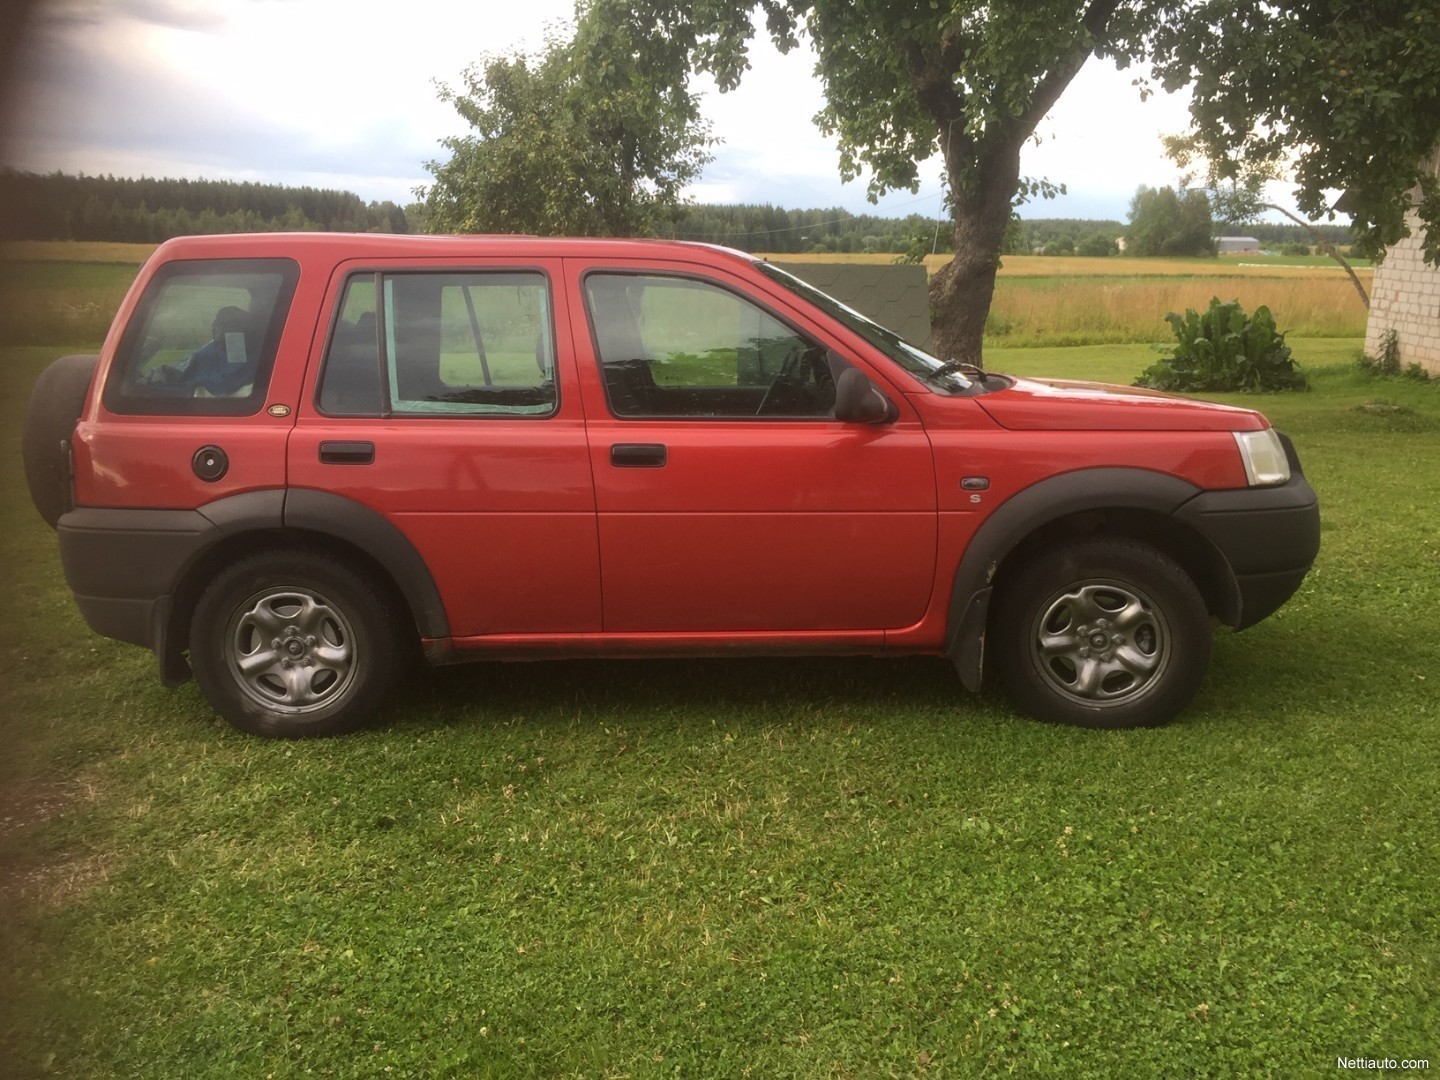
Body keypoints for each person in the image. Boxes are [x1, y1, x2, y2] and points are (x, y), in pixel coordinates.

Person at [140, 306, 257, 396]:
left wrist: (155, 390)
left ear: (240, 330)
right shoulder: (215, 347)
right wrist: (168, 373)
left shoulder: (246, 362)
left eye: (223, 324)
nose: (214, 326)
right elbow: (187, 371)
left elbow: (214, 388)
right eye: (216, 322)